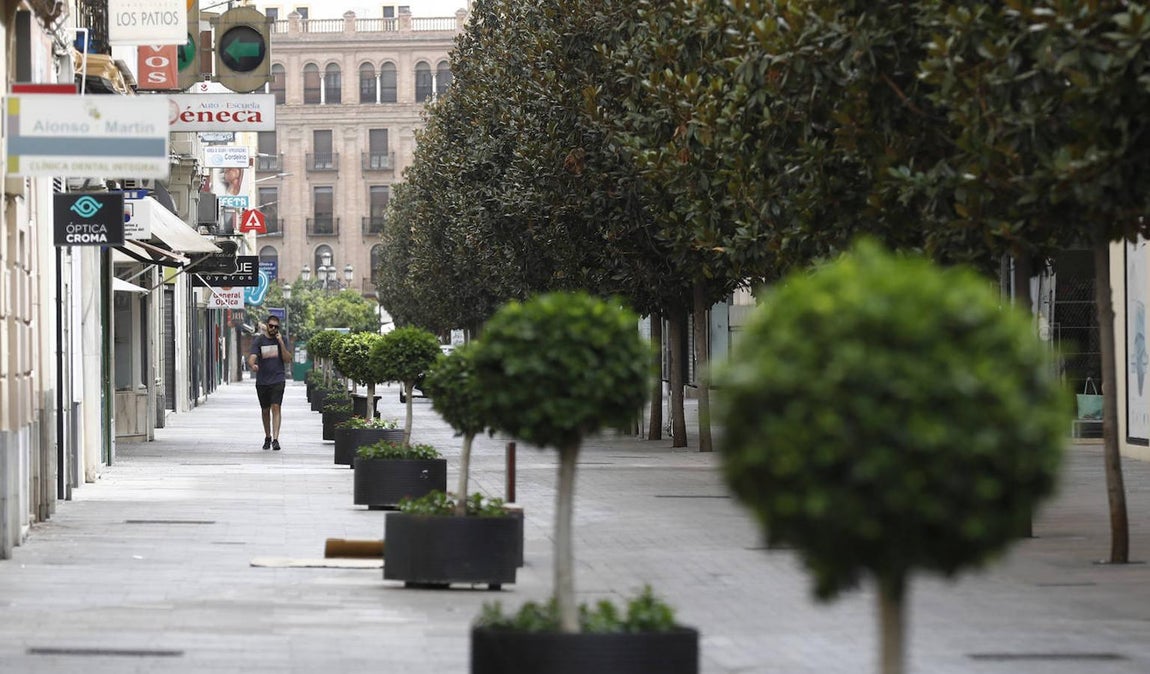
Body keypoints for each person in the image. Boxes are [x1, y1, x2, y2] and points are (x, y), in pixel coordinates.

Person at [248, 316, 292, 450]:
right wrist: (253, 365)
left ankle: (275, 439)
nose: (273, 328)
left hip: (278, 379)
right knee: (265, 410)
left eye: (276, 327)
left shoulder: (283, 340)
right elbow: (252, 357)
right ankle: (267, 436)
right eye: (271, 326)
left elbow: (287, 359)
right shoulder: (259, 340)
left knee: (276, 407)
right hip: (262, 381)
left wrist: (281, 343)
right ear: (267, 325)